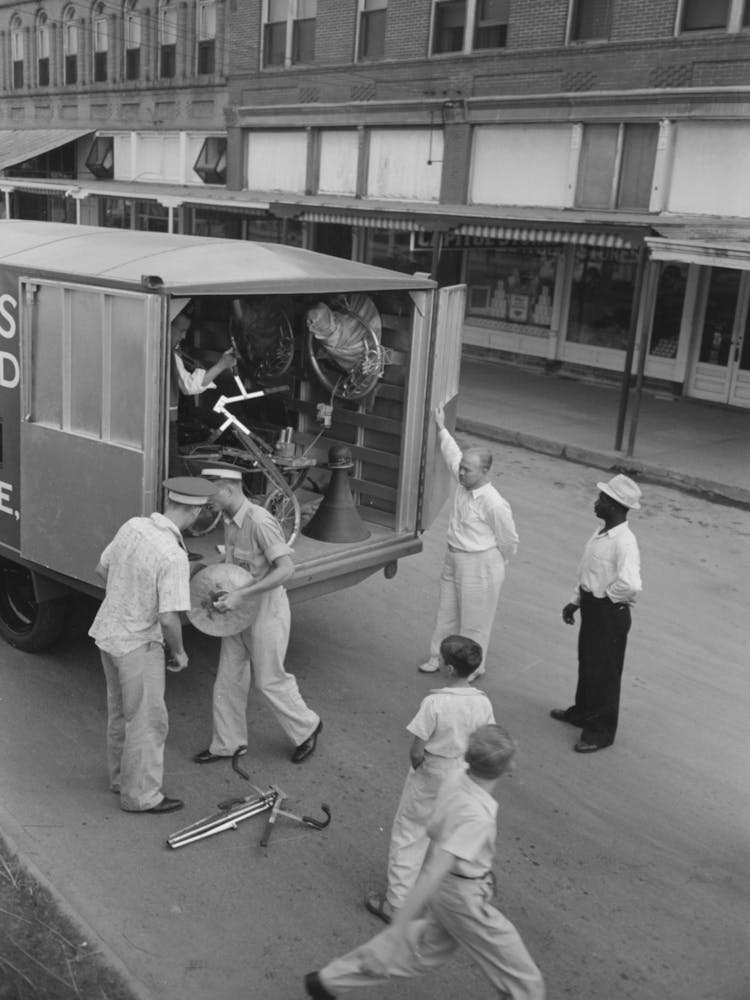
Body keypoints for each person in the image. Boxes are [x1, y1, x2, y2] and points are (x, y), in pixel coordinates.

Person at [304, 724, 545, 1000]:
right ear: (507, 767)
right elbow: (431, 873)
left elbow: (433, 831)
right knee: (524, 980)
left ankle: (329, 982)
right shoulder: (476, 816)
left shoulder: (456, 776)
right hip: (464, 897)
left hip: (450, 892)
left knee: (420, 952)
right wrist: (393, 935)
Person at [89, 477, 217, 814]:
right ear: (193, 510)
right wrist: (179, 652)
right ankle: (141, 796)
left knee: (120, 712)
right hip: (138, 646)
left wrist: (129, 597)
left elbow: (102, 569)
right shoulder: (172, 555)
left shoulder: (133, 526)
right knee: (147, 721)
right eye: (200, 511)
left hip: (108, 634)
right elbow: (168, 618)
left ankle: (120, 779)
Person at [193, 467, 322, 765]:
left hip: (265, 610)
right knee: (229, 678)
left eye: (210, 493)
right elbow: (236, 564)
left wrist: (241, 595)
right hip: (237, 610)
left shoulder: (259, 521)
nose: (205, 501)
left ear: (227, 489)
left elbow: (286, 569)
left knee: (269, 679)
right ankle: (228, 744)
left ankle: (307, 728)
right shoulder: (229, 519)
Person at [364, 635, 495, 924]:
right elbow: (487, 739)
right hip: (463, 774)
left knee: (410, 832)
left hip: (433, 771)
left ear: (448, 669)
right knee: (445, 833)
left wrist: (419, 765)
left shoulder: (435, 702)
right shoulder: (483, 703)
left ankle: (396, 904)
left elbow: (417, 748)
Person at [419, 405, 519, 677]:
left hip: (480, 563)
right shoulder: (464, 480)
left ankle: (474, 667)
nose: (461, 473)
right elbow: (452, 453)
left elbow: (509, 539)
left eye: (468, 471)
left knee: (475, 621)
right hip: (454, 557)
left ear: (484, 472)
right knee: (446, 613)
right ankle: (437, 657)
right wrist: (441, 427)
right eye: (461, 469)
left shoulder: (493, 503)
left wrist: (496, 561)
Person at [551, 474, 642, 753]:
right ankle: (582, 711)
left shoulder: (624, 542)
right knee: (588, 662)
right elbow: (588, 572)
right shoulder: (601, 532)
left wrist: (603, 599)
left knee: (605, 672)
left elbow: (631, 584)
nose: (596, 503)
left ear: (615, 506)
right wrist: (577, 601)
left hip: (608, 613)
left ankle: (600, 731)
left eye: (602, 499)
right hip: (593, 606)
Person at [169, 298, 237, 475]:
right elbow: (190, 387)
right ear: (166, 327)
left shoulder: (168, 351)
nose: (184, 337)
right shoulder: (168, 354)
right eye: (181, 331)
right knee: (171, 469)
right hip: (165, 422)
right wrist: (221, 365)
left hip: (156, 420)